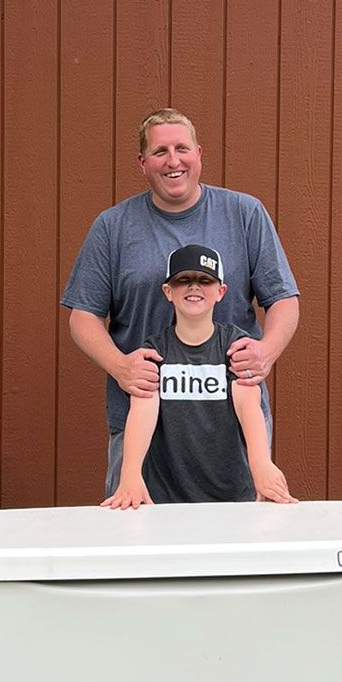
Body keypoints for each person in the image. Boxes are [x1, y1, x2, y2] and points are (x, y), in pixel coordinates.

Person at [62, 109, 300, 495]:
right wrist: (121, 367)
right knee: (137, 534)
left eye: (182, 148)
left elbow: (284, 300)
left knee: (238, 541)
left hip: (230, 420)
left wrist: (265, 353)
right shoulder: (113, 226)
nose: (173, 161)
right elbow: (82, 315)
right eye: (160, 152)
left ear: (199, 154)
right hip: (141, 411)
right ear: (143, 163)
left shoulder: (244, 214)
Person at [103, 243, 294, 508]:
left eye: (205, 280)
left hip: (230, 495)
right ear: (168, 292)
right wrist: (130, 473)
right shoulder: (155, 352)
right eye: (184, 280)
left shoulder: (235, 346)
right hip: (166, 496)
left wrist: (261, 463)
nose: (194, 287)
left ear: (220, 291)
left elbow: (248, 403)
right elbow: (142, 410)